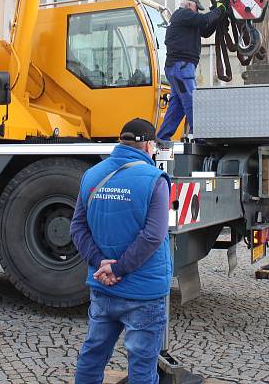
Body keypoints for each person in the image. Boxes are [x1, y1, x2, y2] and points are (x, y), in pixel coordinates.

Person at [70, 118, 171, 383]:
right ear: (149, 145)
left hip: (103, 286)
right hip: (143, 291)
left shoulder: (92, 175)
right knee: (141, 367)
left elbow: (77, 228)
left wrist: (101, 263)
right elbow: (153, 236)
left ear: (121, 141)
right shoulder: (154, 180)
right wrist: (119, 268)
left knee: (92, 356)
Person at [156, 0, 225, 141]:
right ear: (188, 5)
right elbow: (205, 19)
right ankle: (201, 137)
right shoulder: (182, 14)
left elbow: (206, 30)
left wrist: (218, 16)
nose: (197, 12)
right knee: (192, 101)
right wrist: (220, 8)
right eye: (196, 8)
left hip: (178, 68)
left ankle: (162, 138)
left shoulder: (187, 21)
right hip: (181, 68)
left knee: (177, 106)